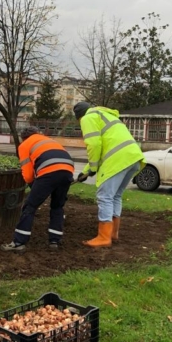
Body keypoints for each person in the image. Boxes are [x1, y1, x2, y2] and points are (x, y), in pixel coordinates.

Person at [73, 102, 145, 248]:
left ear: (79, 117)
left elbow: (93, 144)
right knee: (115, 196)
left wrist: (93, 167)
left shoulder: (88, 118)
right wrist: (87, 171)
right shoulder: (105, 115)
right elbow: (103, 146)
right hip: (133, 157)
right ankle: (113, 233)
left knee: (105, 196)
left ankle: (103, 237)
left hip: (118, 159)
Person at [1, 126, 75, 252]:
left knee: (29, 206)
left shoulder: (24, 145)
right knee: (57, 206)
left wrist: (34, 187)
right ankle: (54, 241)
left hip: (48, 171)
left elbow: (28, 174)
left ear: (23, 138)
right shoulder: (48, 140)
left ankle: (19, 242)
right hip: (68, 170)